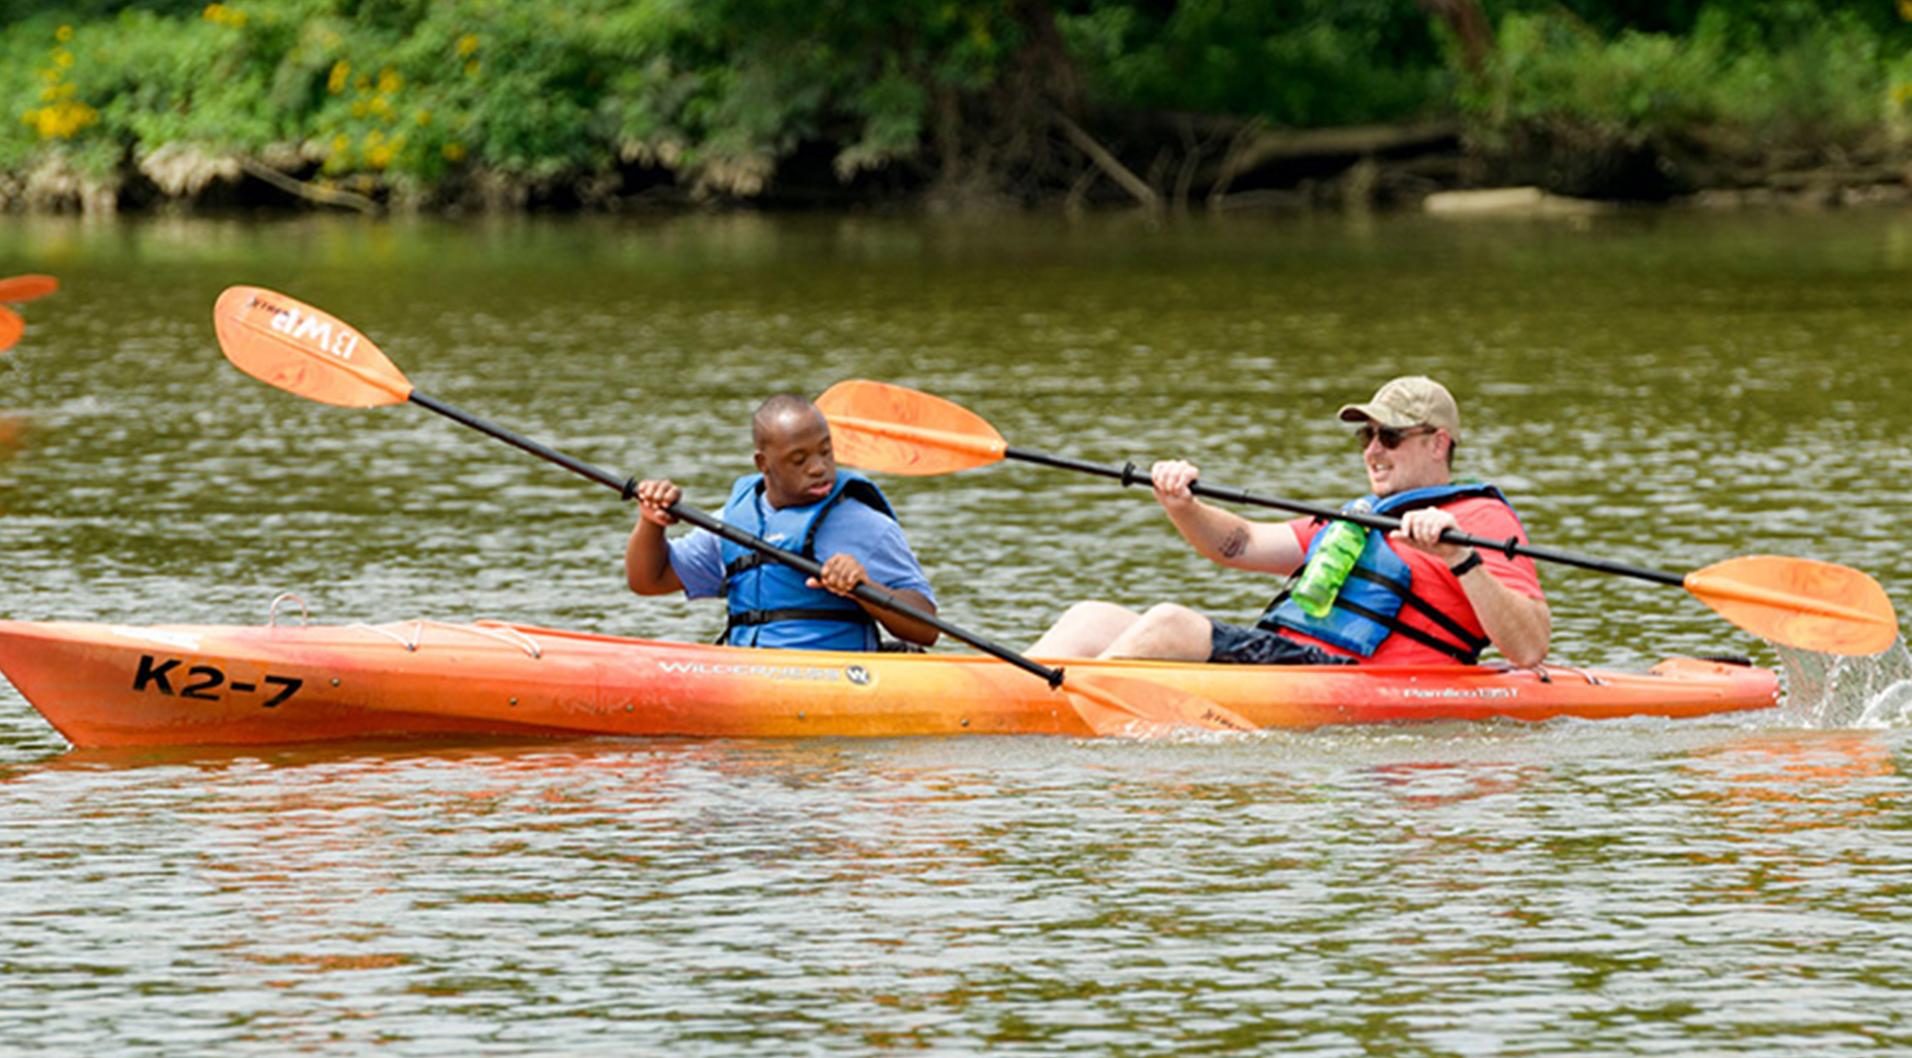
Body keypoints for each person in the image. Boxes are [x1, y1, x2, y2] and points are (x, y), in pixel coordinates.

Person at [1031, 375, 1550, 669]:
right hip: (1291, 659)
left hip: (1355, 679)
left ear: (1438, 444)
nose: (1372, 450)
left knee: (1171, 623)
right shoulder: (1360, 519)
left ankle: (1058, 712)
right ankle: (1005, 696)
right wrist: (1181, 504)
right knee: (1090, 617)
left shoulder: (1480, 517)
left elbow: (1528, 648)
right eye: (1366, 436)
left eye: (1389, 437)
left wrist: (1460, 557)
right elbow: (1240, 544)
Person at [626, 393, 940, 651]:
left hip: (836, 680)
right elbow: (650, 580)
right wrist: (651, 522)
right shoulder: (731, 524)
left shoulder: (866, 525)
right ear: (763, 463)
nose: (818, 468)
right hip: (748, 674)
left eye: (825, 453)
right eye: (799, 460)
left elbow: (927, 628)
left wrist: (863, 587)